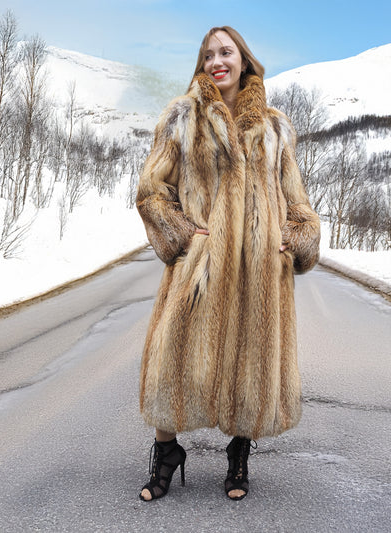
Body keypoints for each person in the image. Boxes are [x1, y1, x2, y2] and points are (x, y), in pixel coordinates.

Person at [136, 26, 320, 501]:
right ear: (202, 63)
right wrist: (179, 233)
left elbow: (298, 200)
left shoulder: (276, 127)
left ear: (244, 60)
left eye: (226, 52)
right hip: (202, 264)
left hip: (260, 269)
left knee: (250, 357)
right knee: (172, 355)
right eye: (209, 54)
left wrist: (295, 236)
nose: (218, 61)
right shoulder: (182, 117)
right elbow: (152, 190)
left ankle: (239, 452)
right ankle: (166, 451)